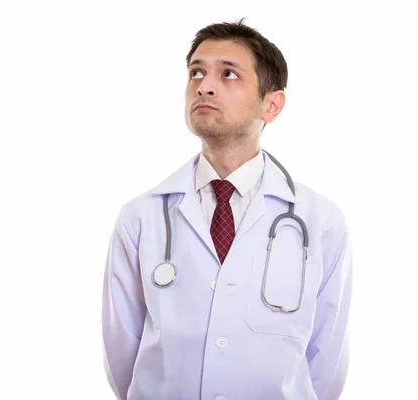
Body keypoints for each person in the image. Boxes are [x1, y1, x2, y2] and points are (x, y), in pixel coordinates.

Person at [101, 18, 353, 400]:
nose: (204, 85)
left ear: (272, 104)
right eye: (196, 73)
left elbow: (326, 361)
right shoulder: (141, 218)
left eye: (229, 74)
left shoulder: (320, 222)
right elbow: (121, 355)